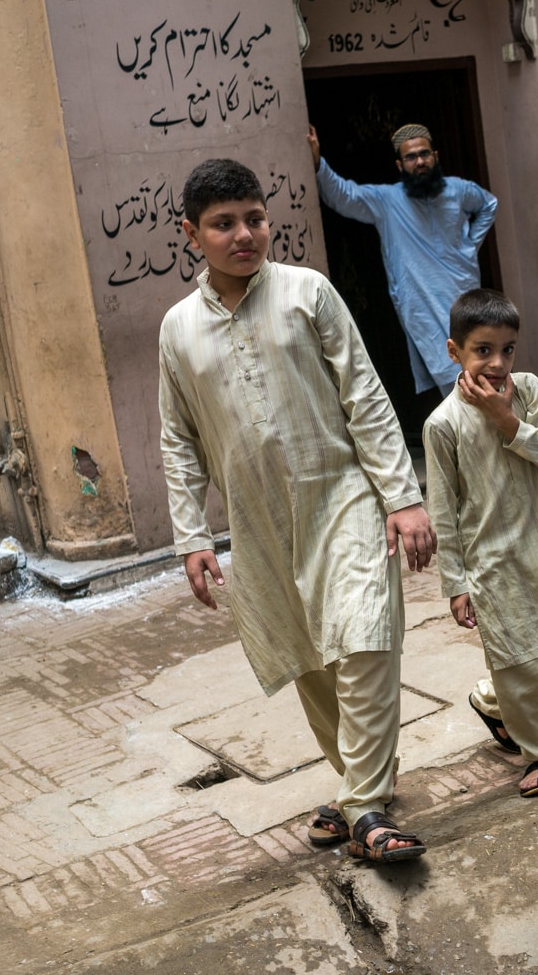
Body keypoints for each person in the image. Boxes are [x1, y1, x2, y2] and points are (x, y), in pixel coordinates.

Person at [159, 158, 436, 865]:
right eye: (224, 224)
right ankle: (361, 779)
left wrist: (402, 496)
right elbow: (179, 437)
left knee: (364, 635)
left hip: (341, 496)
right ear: (193, 234)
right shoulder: (178, 329)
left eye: (254, 217)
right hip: (258, 522)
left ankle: (366, 804)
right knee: (312, 656)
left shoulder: (307, 292)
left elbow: (365, 395)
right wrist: (192, 533)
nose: (244, 234)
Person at [423, 288, 538, 799]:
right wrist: (455, 583)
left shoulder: (527, 391)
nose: (497, 363)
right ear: (453, 351)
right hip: (488, 565)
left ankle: (491, 699)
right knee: (515, 660)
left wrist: (509, 421)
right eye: (482, 350)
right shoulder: (441, 424)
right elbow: (443, 510)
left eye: (507, 349)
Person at [308, 122, 499, 419]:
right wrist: (318, 162)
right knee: (453, 377)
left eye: (424, 154)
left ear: (435, 156)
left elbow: (489, 204)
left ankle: (487, 441)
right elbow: (344, 196)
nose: (419, 161)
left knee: (482, 366)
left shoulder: (460, 190)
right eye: (411, 157)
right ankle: (476, 446)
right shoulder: (386, 200)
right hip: (421, 304)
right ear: (400, 164)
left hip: (464, 297)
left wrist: (469, 248)